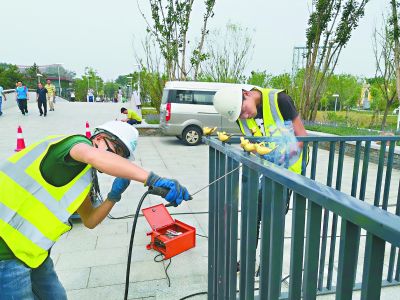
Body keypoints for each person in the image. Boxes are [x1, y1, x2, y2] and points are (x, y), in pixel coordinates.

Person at [0, 121, 190, 299]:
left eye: (121, 157)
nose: (117, 159)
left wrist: (113, 197)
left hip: (33, 252)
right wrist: (152, 179)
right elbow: (92, 155)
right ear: (99, 138)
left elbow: (89, 220)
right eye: (116, 152)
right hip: (5, 251)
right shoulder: (76, 145)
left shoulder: (83, 177)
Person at [213, 86, 307, 271]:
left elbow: (302, 135)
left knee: (272, 218)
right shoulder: (243, 117)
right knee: (252, 213)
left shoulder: (280, 100)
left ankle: (268, 264)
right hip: (264, 169)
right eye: (240, 116)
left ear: (246, 94)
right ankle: (248, 260)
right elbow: (253, 143)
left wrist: (285, 157)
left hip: (287, 169)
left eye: (243, 110)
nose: (245, 117)